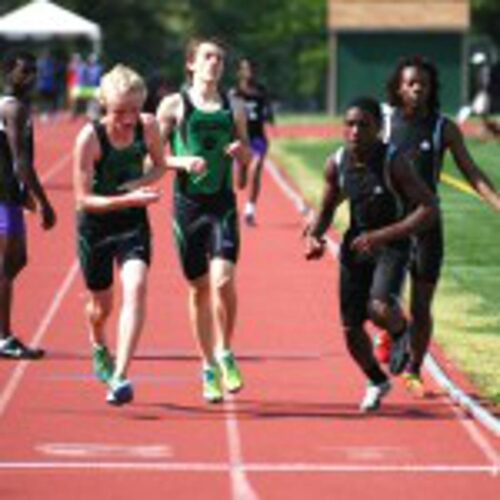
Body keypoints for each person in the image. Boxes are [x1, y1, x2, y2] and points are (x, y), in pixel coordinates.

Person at [304, 97, 437, 412]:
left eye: (363, 125)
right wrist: (314, 236)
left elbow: (429, 208)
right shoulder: (336, 162)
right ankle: (377, 380)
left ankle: (401, 331)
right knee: (351, 329)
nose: (354, 131)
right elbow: (325, 209)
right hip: (357, 244)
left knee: (378, 307)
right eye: (349, 124)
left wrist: (383, 235)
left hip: (392, 243)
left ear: (378, 128)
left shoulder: (394, 162)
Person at [382, 55, 500, 396]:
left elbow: (472, 172)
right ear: (399, 88)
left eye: (423, 84)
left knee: (421, 305)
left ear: (431, 88)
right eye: (410, 84)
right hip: (391, 223)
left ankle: (415, 370)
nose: (417, 89)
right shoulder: (386, 124)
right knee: (382, 301)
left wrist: (495, 202)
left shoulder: (443, 128)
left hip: (428, 226)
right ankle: (393, 331)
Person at [156, 37, 252, 403]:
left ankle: (226, 352)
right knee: (198, 289)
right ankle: (207, 366)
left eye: (220, 58)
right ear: (191, 64)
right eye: (207, 57)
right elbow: (153, 159)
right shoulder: (174, 105)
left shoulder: (235, 106)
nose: (215, 62)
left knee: (223, 279)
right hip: (187, 208)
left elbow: (247, 158)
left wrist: (241, 153)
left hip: (221, 204)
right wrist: (182, 162)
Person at [73, 64, 167, 405]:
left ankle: (121, 374)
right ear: (102, 105)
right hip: (95, 227)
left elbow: (159, 165)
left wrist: (140, 185)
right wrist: (127, 197)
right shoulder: (90, 138)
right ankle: (98, 342)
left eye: (133, 110)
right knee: (101, 307)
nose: (127, 119)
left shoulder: (149, 126)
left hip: (132, 224)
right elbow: (83, 199)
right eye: (118, 112)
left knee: (137, 287)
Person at [0, 50, 56, 359]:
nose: (31, 77)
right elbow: (20, 161)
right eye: (25, 72)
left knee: (17, 261)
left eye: (34, 71)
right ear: (8, 73)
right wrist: (43, 202)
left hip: (9, 194)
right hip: (4, 197)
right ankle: (4, 338)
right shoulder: (15, 109)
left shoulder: (12, 106)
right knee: (9, 265)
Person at [230, 57, 274, 226]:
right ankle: (239, 171)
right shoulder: (234, 92)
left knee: (255, 170)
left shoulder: (261, 91)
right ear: (240, 72)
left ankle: (249, 210)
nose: (250, 72)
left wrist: (270, 118)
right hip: (241, 139)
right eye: (246, 69)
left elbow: (267, 111)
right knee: (240, 183)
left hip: (258, 139)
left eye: (252, 69)